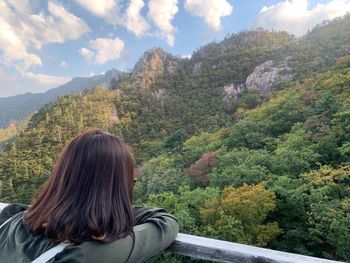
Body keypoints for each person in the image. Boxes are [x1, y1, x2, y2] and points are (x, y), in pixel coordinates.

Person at [0, 129, 179, 262]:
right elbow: (165, 223)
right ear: (115, 192)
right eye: (131, 182)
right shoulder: (90, 254)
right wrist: (112, 209)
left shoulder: (11, 219)